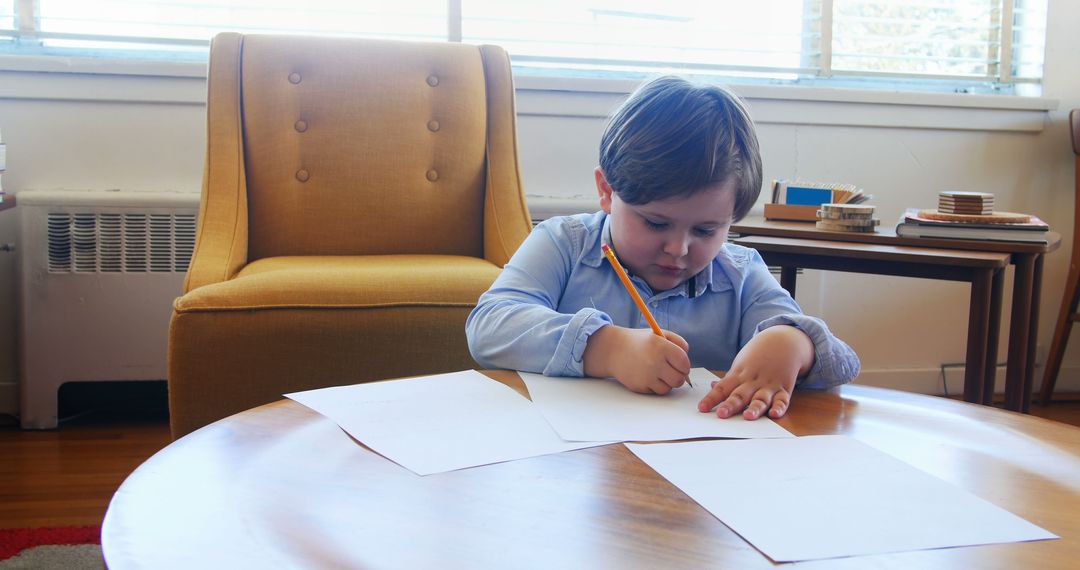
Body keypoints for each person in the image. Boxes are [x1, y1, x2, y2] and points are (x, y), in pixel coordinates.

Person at [466, 76, 859, 421]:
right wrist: (605, 348)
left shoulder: (741, 274)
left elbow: (843, 364)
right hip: (573, 463)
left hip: (700, 469)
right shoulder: (562, 244)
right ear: (607, 191)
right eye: (655, 223)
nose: (678, 248)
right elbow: (489, 326)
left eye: (706, 229)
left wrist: (794, 344)